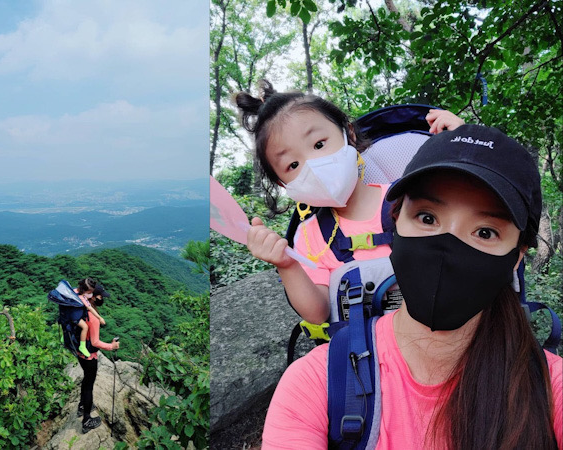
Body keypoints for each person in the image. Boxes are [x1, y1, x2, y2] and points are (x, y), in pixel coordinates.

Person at [261, 124, 562, 449]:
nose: (447, 248)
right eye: (427, 218)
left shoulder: (550, 387)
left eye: (486, 232)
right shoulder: (317, 384)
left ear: (516, 258)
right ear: (396, 221)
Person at [234, 80, 464, 324]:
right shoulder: (311, 237)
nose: (314, 166)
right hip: (371, 351)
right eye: (293, 165)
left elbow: (470, 219)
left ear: (349, 134)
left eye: (319, 144)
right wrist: (286, 265)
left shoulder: (408, 196)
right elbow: (318, 312)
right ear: (283, 185)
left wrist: (463, 146)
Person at [76, 283, 120, 433]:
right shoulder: (92, 317)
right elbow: (95, 342)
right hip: (89, 355)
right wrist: (111, 346)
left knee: (86, 380)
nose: (102, 299)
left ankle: (82, 406)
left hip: (80, 351)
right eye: (100, 296)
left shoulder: (81, 308)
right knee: (89, 384)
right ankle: (86, 419)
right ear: (93, 297)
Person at [74, 278, 107, 358]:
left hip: (70, 315)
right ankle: (82, 346)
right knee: (85, 327)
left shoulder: (74, 291)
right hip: (74, 317)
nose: (90, 294)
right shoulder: (82, 298)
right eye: (90, 292)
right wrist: (111, 346)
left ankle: (65, 338)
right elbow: (95, 342)